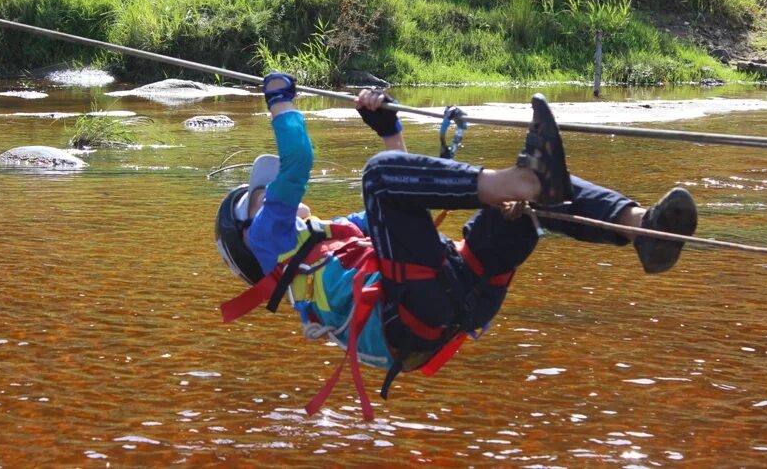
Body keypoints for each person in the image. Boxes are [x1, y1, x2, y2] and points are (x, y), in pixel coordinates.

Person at [215, 73, 698, 420]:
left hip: (455, 300)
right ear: (250, 228)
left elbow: (404, 202)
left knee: (519, 198)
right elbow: (299, 158)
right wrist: (280, 100)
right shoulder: (267, 240)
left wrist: (387, 129)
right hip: (416, 310)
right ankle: (525, 179)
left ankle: (641, 228)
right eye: (264, 193)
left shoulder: (333, 239)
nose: (279, 192)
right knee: (382, 176)